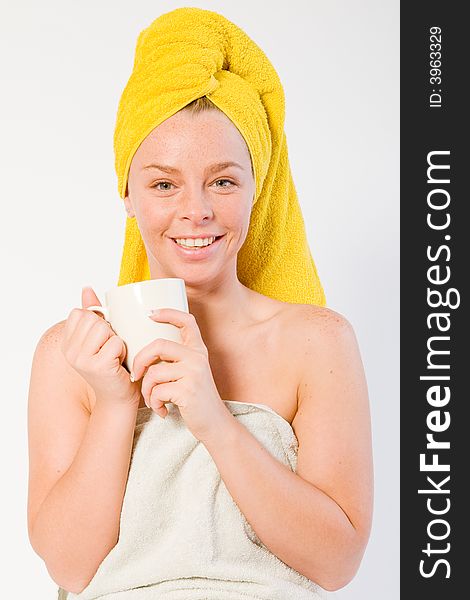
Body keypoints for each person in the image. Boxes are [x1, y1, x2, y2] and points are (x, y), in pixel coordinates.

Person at [27, 7, 373, 599]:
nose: (197, 210)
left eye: (223, 181)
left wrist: (213, 418)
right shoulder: (72, 355)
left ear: (255, 189)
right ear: (128, 194)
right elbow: (68, 569)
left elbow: (337, 564)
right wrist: (115, 405)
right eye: (164, 184)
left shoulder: (318, 341)